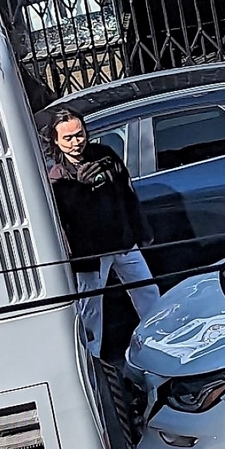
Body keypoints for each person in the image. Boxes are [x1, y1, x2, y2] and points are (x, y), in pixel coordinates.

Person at [45, 108, 159, 359]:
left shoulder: (105, 156)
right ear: (56, 141)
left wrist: (141, 230)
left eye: (79, 134)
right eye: (68, 138)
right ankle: (92, 359)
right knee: (91, 309)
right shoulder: (57, 177)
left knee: (148, 292)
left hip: (123, 242)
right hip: (91, 255)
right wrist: (82, 189)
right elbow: (65, 222)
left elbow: (128, 194)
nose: (76, 142)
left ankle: (159, 341)